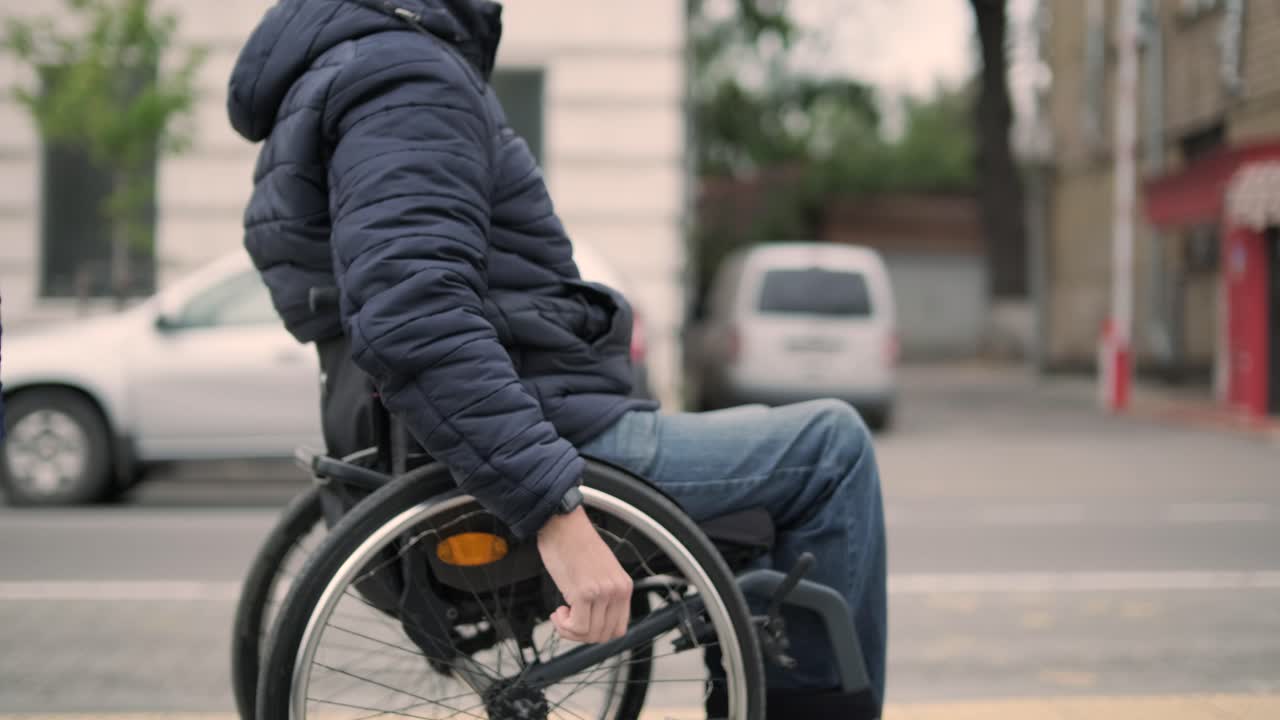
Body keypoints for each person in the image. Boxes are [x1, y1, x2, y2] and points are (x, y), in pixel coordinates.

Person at [228, 1, 886, 717]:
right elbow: (414, 314)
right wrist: (553, 508)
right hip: (551, 430)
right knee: (833, 449)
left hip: (459, 431)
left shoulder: (340, 70)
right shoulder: (406, 77)